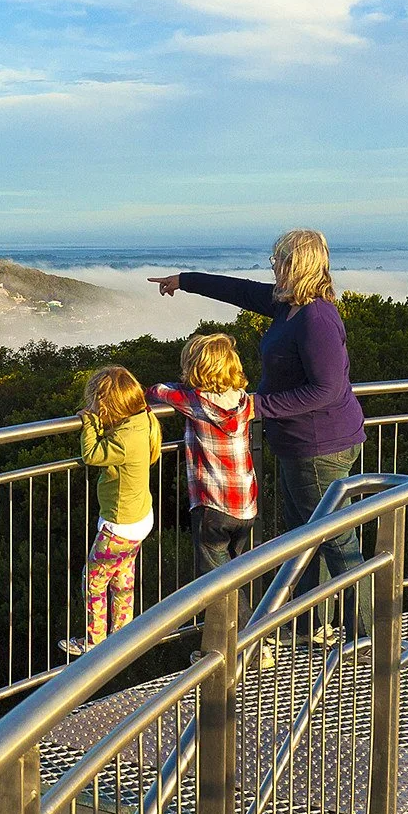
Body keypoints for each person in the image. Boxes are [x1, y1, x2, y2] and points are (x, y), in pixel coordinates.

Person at [148, 229, 369, 639]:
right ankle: (310, 626)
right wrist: (185, 280)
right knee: (307, 536)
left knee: (336, 541)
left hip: (320, 446)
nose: (273, 267)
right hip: (302, 444)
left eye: (278, 260)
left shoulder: (315, 317)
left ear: (295, 264)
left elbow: (328, 389)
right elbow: (241, 291)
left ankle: (368, 632)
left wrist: (255, 407)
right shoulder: (289, 306)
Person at [60, 365, 162, 657]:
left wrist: (90, 421)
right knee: (122, 577)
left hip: (120, 522)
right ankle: (123, 635)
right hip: (140, 517)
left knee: (93, 579)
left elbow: (91, 455)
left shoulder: (125, 439)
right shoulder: (141, 421)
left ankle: (95, 642)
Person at [147, 333, 257, 577]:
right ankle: (243, 616)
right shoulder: (244, 400)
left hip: (213, 505)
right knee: (234, 573)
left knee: (216, 584)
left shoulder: (195, 402)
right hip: (245, 506)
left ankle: (251, 618)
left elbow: (158, 391)